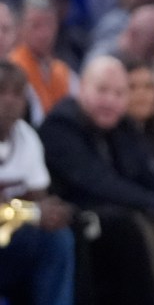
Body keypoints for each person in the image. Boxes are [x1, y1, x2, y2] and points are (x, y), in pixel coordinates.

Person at [39, 55, 154, 305]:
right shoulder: (60, 126)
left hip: (121, 215)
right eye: (102, 90)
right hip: (78, 218)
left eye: (118, 93)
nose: (110, 101)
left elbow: (150, 176)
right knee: (133, 228)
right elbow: (100, 184)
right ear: (82, 87)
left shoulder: (121, 126)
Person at [0, 60, 75, 305]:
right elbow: (33, 209)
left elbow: (38, 197)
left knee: (58, 238)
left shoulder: (27, 137)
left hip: (9, 243)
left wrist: (53, 212)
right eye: (2, 91)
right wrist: (33, 213)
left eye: (18, 93)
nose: (10, 101)